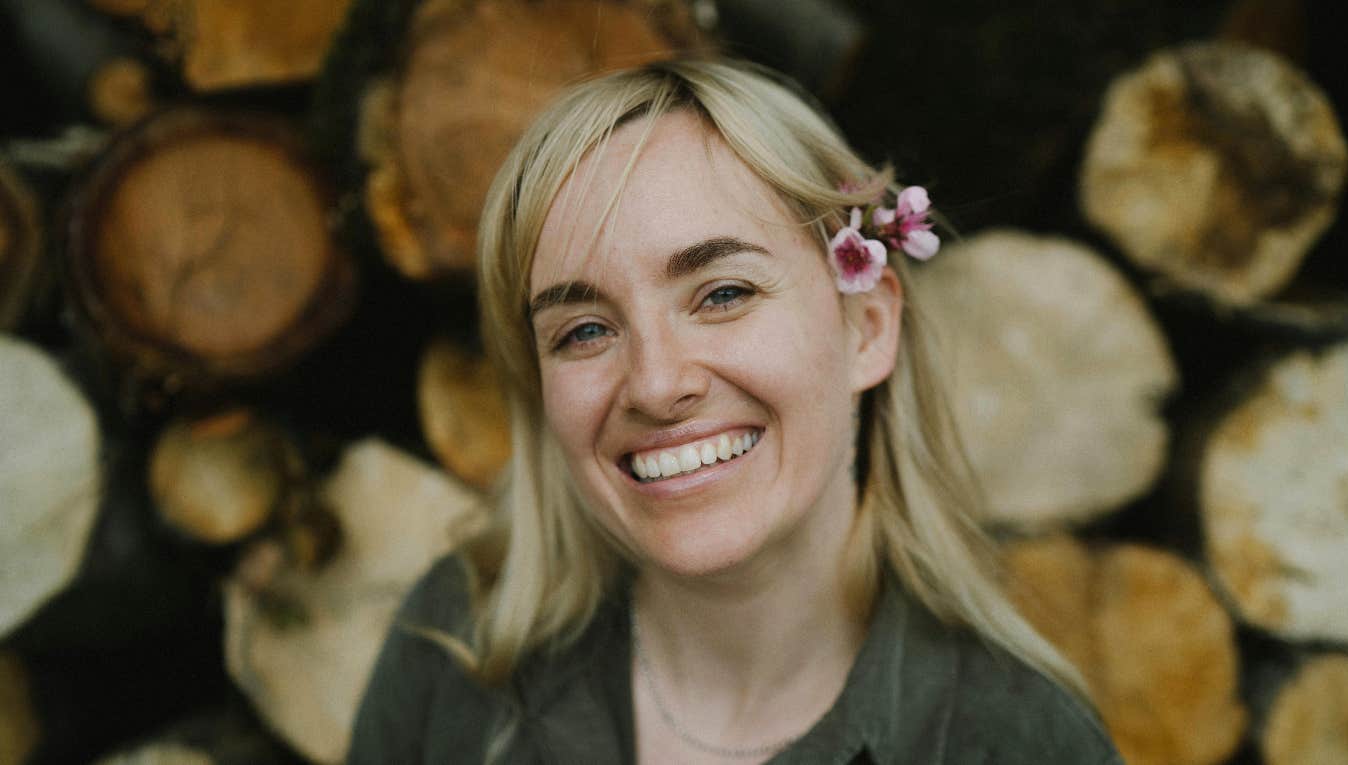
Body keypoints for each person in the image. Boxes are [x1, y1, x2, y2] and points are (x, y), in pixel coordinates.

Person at [347, 58, 1123, 764]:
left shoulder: (1022, 744)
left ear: (868, 327)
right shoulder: (455, 648)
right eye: (584, 330)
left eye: (723, 293)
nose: (655, 384)